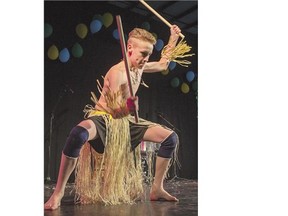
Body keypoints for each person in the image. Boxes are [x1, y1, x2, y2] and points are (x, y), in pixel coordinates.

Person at [44, 24, 182, 210]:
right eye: (143, 54)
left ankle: (157, 189)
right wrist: (131, 106)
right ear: (130, 48)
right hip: (105, 119)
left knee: (170, 138)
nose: (145, 59)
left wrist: (173, 38)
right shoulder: (117, 73)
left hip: (126, 122)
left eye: (148, 54)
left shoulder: (139, 67)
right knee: (78, 134)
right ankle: (58, 193)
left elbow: (163, 64)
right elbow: (117, 111)